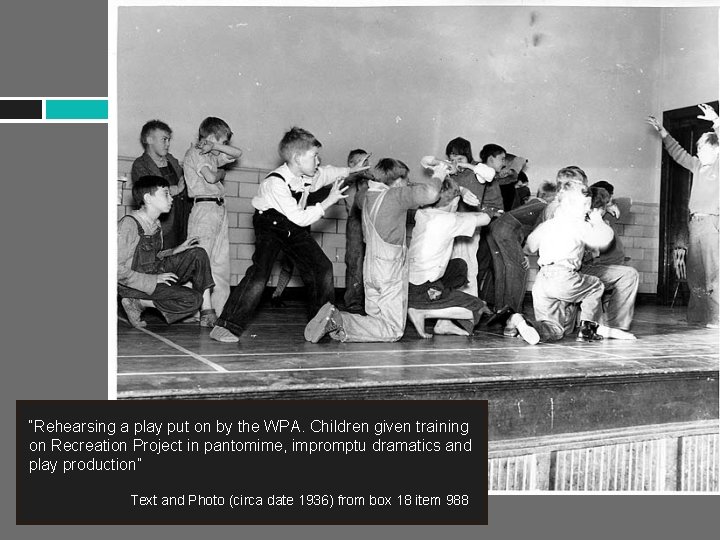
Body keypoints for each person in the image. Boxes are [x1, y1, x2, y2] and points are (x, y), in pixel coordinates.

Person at [210, 127, 366, 343]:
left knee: (321, 267)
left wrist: (350, 170)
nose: (318, 161)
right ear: (297, 158)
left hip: (291, 222)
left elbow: (328, 173)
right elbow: (300, 219)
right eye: (314, 156)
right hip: (270, 223)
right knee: (260, 274)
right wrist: (329, 201)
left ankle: (321, 324)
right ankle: (225, 326)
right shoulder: (275, 183)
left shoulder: (306, 174)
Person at [304, 158, 443, 343]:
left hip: (370, 269)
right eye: (405, 180)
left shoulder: (365, 196)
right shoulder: (396, 196)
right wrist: (440, 173)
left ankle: (336, 323)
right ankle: (340, 319)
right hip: (389, 270)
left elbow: (364, 192)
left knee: (375, 321)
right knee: (392, 330)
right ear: (397, 181)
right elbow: (432, 193)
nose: (407, 184)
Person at [524, 181, 633, 342]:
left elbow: (529, 246)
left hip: (542, 283)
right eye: (584, 205)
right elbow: (604, 239)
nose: (587, 209)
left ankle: (519, 322)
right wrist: (597, 219)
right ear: (569, 204)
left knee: (554, 330)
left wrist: (526, 255)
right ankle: (587, 329)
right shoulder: (578, 224)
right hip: (564, 277)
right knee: (595, 286)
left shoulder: (549, 224)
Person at [647, 104, 720, 328]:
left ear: (717, 151)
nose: (698, 153)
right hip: (695, 224)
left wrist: (716, 121)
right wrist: (663, 132)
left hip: (712, 223)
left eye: (703, 149)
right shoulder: (697, 166)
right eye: (698, 149)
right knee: (696, 275)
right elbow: (678, 153)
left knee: (714, 273)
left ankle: (717, 318)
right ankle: (698, 317)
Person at [405, 178, 498, 339]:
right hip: (422, 290)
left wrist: (459, 192)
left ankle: (443, 323)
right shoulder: (449, 221)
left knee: (458, 267)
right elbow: (485, 219)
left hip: (410, 282)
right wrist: (482, 206)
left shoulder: (422, 213)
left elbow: (454, 215)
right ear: (455, 201)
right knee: (478, 307)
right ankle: (422, 312)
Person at [118, 175, 214, 328]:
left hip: (154, 273)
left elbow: (153, 257)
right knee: (193, 300)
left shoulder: (155, 223)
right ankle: (137, 302)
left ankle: (207, 314)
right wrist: (153, 280)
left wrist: (176, 250)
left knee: (198, 253)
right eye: (166, 194)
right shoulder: (128, 225)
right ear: (148, 198)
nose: (171, 199)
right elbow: (114, 269)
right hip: (133, 285)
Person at [183, 116, 243, 326]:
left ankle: (218, 309)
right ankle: (198, 310)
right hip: (204, 209)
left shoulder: (213, 153)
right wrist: (222, 172)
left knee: (220, 262)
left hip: (218, 208)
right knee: (201, 260)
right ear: (209, 136)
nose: (225, 147)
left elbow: (238, 153)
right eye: (223, 141)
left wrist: (216, 147)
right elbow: (210, 177)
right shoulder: (195, 152)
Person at [442, 137, 499, 297]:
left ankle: (468, 307)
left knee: (467, 265)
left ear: (468, 157)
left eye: (460, 158)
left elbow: (489, 173)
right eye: (452, 159)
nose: (455, 163)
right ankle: (451, 305)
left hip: (470, 225)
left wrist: (466, 165)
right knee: (452, 266)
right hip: (452, 224)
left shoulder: (477, 171)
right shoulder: (449, 174)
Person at [580, 182, 639, 333]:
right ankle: (611, 324)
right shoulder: (582, 220)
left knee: (629, 274)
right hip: (581, 270)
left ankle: (615, 326)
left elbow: (627, 201)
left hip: (593, 268)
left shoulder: (603, 216)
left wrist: (610, 204)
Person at [131, 120, 190, 249]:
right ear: (149, 140)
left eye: (169, 140)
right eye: (164, 139)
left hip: (183, 221)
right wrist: (176, 189)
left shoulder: (172, 160)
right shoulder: (140, 165)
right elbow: (148, 192)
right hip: (161, 226)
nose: (168, 144)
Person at [342, 149, 373, 314]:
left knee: (372, 264)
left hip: (371, 222)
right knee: (355, 262)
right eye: (361, 162)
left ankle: (370, 303)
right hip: (355, 222)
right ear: (351, 165)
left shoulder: (370, 180)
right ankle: (353, 303)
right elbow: (348, 178)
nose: (365, 166)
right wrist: (358, 171)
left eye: (366, 162)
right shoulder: (348, 179)